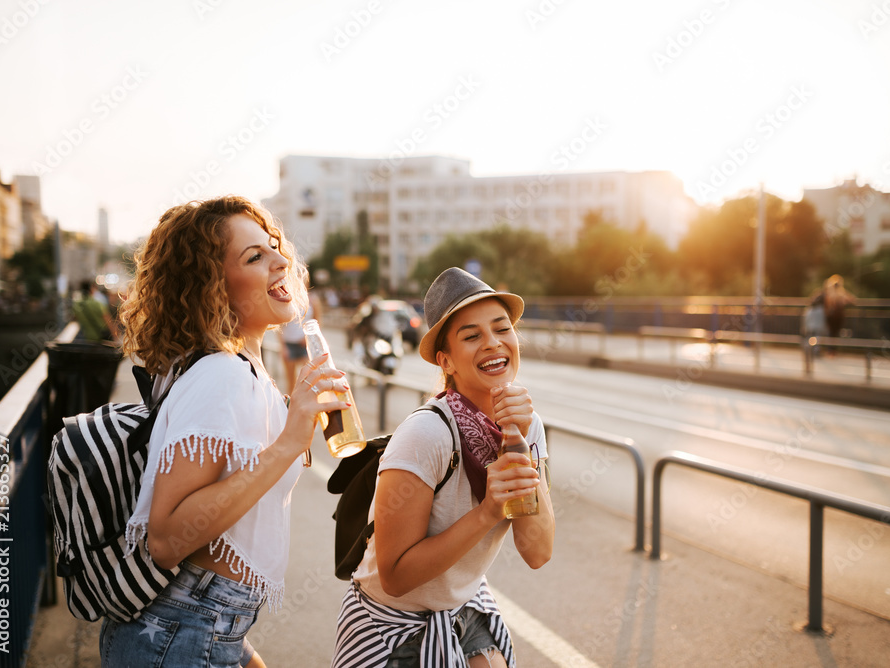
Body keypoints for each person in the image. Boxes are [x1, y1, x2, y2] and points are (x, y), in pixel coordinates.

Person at [101, 196, 349, 668]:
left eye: (274, 246)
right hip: (178, 636)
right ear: (213, 287)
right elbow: (169, 539)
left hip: (205, 631)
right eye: (254, 257)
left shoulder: (242, 368)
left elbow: (215, 548)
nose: (281, 259)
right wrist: (290, 442)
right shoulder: (220, 375)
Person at [333, 267, 555, 668]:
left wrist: (521, 444)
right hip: (390, 620)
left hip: (463, 600)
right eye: (471, 336)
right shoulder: (426, 434)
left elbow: (538, 551)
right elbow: (395, 577)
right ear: (446, 360)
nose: (492, 343)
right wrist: (488, 511)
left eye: (502, 329)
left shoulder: (526, 424)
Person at [278, 273, 324, 389]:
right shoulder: (286, 298)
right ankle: (291, 407)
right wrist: (283, 346)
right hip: (289, 344)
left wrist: (309, 339)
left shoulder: (312, 300)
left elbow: (317, 323)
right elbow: (279, 327)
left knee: (308, 380)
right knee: (291, 382)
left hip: (306, 345)